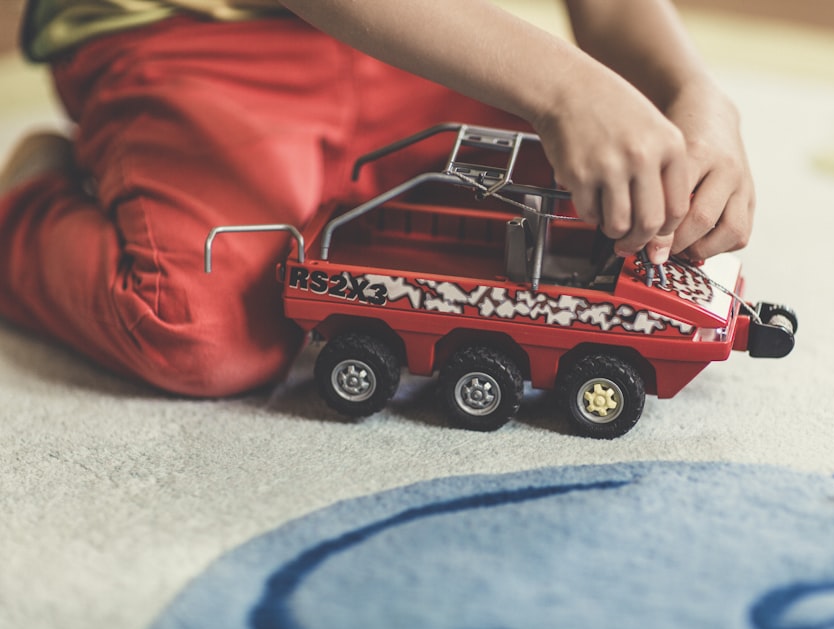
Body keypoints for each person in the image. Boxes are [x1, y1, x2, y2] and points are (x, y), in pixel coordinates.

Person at [0, 0, 755, 397]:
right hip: (193, 41)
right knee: (197, 327)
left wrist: (696, 97)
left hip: (425, 32)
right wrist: (564, 88)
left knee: (616, 182)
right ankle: (28, 196)